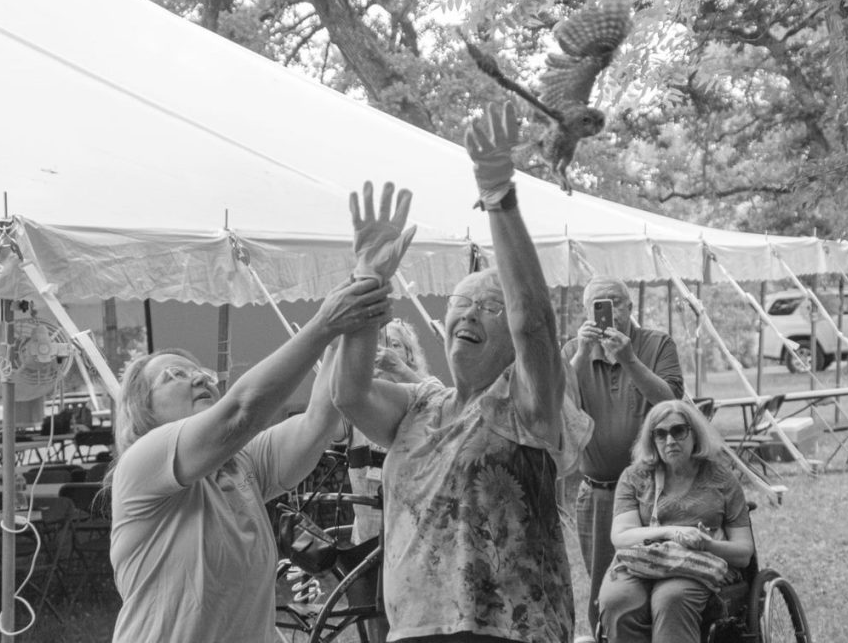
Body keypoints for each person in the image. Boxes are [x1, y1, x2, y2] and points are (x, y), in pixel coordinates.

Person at [107, 180, 416, 643]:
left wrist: (365, 280)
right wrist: (326, 323)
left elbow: (319, 418)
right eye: (172, 375)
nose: (198, 377)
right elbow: (243, 411)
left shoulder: (242, 464)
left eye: (199, 371)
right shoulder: (145, 464)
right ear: (142, 413)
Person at [331, 101, 592, 643]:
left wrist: (498, 194)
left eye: (488, 306)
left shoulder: (528, 402)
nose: (469, 312)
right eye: (460, 302)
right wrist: (367, 281)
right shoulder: (419, 406)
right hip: (415, 630)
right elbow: (348, 393)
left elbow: (535, 324)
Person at [562, 276, 684, 639]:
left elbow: (670, 403)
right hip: (599, 492)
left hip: (657, 488)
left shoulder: (657, 343)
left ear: (631, 307)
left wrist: (629, 359)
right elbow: (560, 404)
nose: (609, 310)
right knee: (605, 589)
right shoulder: (572, 350)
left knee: (661, 583)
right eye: (598, 304)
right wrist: (582, 355)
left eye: (615, 301)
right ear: (586, 313)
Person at [599, 399, 754, 642]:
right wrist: (671, 532)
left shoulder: (721, 479)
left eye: (678, 431)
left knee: (671, 598)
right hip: (643, 561)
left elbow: (744, 552)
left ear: (695, 434)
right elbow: (621, 536)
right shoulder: (635, 477)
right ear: (652, 440)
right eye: (660, 434)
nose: (670, 440)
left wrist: (707, 544)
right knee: (617, 600)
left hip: (697, 563)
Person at [347, 317, 439, 546]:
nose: (384, 350)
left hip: (417, 534)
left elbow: (444, 414)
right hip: (368, 538)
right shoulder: (357, 396)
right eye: (376, 343)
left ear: (409, 354)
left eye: (395, 344)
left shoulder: (428, 386)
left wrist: (397, 368)